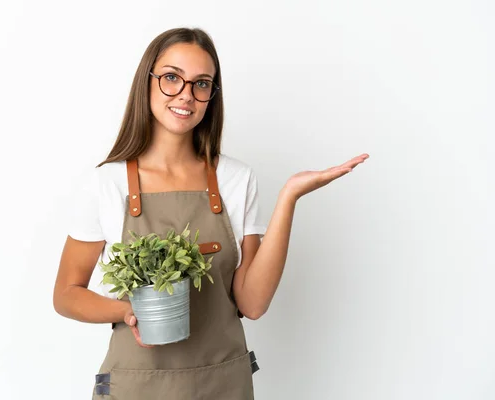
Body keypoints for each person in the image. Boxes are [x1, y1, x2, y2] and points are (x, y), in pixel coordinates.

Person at [53, 27, 368, 400]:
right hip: (136, 386)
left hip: (223, 385)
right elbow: (66, 294)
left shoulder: (236, 179)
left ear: (211, 95)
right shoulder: (108, 183)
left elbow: (252, 303)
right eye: (172, 78)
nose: (186, 95)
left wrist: (289, 197)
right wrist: (128, 312)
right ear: (147, 82)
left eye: (201, 84)